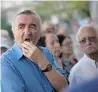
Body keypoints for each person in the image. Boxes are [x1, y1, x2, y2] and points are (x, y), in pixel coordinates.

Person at [0, 10, 68, 92]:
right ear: (14, 32)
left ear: (39, 33)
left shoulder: (46, 52)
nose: (27, 32)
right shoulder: (5, 62)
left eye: (32, 27)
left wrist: (41, 60)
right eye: (21, 27)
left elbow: (64, 87)